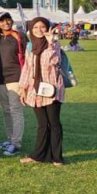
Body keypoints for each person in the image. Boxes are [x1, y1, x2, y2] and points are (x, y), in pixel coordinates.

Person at [18, 17, 65, 166]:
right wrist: (23, 89)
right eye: (35, 27)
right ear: (31, 29)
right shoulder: (30, 46)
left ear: (48, 28)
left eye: (42, 27)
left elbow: (55, 62)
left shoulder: (54, 45)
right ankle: (38, 155)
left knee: (54, 123)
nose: (39, 30)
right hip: (35, 90)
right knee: (42, 124)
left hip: (51, 90)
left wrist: (51, 43)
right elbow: (27, 68)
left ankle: (57, 157)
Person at [0, 11, 27, 156]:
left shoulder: (19, 36)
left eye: (8, 20)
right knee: (6, 110)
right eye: (2, 21)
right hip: (0, 79)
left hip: (16, 77)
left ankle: (16, 143)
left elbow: (28, 54)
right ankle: (10, 139)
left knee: (15, 110)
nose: (6, 23)